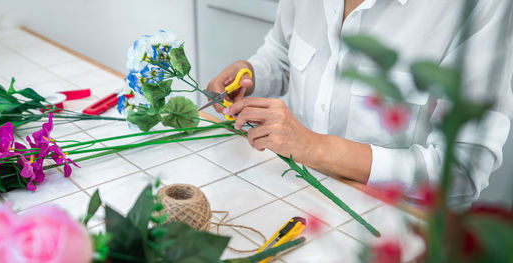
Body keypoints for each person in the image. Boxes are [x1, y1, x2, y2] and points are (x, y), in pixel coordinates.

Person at [206, 0, 513, 208]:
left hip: (396, 228)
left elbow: (462, 170)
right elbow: (282, 51)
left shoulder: (477, 7)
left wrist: (315, 147)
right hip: (295, 196)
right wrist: (253, 72)